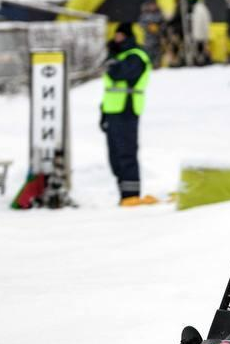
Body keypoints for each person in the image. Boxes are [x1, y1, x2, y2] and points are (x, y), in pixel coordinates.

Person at [100, 23, 155, 206]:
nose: (117, 39)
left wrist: (112, 61)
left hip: (127, 110)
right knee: (115, 156)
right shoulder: (118, 56)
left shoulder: (136, 56)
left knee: (126, 154)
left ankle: (131, 195)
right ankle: (123, 195)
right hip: (112, 111)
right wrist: (104, 113)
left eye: (121, 36)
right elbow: (110, 87)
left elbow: (120, 74)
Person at [190, 0, 213, 64]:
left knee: (200, 49)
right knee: (202, 49)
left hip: (197, 34)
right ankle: (203, 61)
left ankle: (201, 61)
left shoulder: (196, 9)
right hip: (202, 34)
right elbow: (207, 21)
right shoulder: (203, 9)